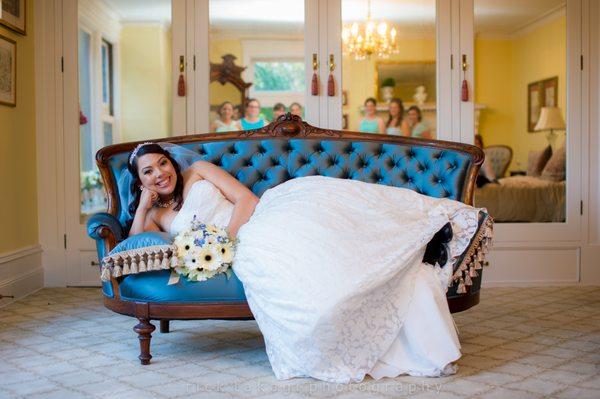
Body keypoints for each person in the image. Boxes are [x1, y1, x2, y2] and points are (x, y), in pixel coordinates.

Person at [126, 142, 490, 383]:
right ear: (140, 181)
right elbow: (132, 244)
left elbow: (245, 199)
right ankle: (408, 256)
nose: (160, 173)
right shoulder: (156, 217)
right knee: (316, 288)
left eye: (162, 163)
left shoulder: (199, 171)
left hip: (251, 223)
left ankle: (422, 233)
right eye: (148, 171)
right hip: (240, 250)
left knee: (327, 213)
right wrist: (144, 205)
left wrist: (226, 242)